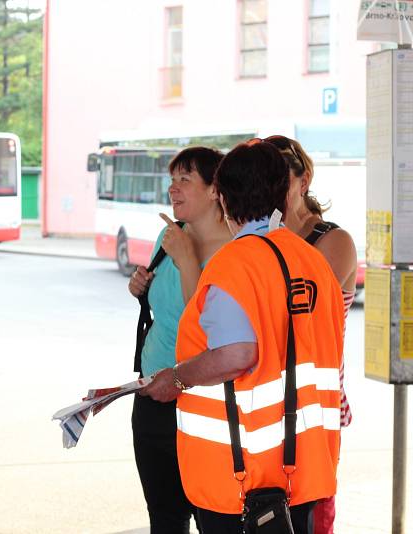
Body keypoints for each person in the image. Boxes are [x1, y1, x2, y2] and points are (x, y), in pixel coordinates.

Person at [143, 140, 344, 534]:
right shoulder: (312, 261)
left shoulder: (234, 264)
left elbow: (237, 354)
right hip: (303, 468)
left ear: (223, 198)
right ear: (283, 192)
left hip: (242, 476)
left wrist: (177, 377)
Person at [127, 147, 230, 533]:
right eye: (172, 181)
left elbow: (204, 328)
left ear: (215, 189)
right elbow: (162, 304)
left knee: (211, 515)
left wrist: (189, 261)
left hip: (201, 400)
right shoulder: (170, 235)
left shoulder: (232, 248)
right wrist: (140, 287)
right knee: (164, 516)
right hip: (153, 391)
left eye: (185, 180)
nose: (174, 189)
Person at [264, 135, 356, 534]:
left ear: (304, 180)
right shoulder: (258, 238)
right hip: (265, 408)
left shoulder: (333, 241)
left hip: (314, 410)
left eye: (279, 176)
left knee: (311, 518)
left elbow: (300, 316)